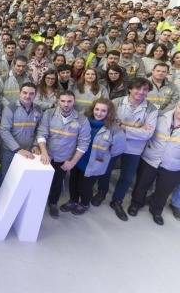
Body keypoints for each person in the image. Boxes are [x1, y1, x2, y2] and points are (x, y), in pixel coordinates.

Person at [92, 78, 159, 221]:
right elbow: (109, 123)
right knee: (105, 170)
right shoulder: (116, 102)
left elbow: (148, 133)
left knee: (127, 177)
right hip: (113, 144)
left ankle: (117, 201)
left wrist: (122, 125)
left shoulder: (151, 109)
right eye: (138, 88)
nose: (141, 92)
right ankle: (102, 192)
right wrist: (137, 128)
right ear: (130, 89)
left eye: (145, 89)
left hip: (134, 149)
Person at [58, 99, 126, 215]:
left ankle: (84, 203)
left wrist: (103, 156)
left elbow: (117, 150)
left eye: (103, 111)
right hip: (77, 159)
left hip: (94, 164)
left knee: (85, 187)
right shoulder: (83, 121)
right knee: (73, 183)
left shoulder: (114, 129)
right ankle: (73, 200)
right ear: (92, 109)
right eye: (97, 109)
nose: (99, 113)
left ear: (109, 112)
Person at [37, 90, 91, 219]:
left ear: (74, 102)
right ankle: (36, 203)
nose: (66, 104)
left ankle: (53, 203)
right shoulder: (48, 114)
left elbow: (83, 144)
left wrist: (72, 162)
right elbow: (41, 133)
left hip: (64, 159)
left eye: (69, 101)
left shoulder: (82, 120)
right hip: (46, 156)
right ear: (57, 101)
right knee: (40, 182)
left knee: (57, 182)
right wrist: (44, 153)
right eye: (63, 101)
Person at [128, 102, 180, 225]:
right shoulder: (160, 117)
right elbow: (145, 131)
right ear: (176, 106)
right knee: (142, 184)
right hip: (150, 157)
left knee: (164, 190)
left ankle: (156, 210)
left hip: (173, 164)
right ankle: (136, 204)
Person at [0, 82, 42, 186]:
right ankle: (0, 199)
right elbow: (4, 131)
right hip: (9, 151)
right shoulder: (10, 108)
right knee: (6, 176)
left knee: (22, 178)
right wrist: (18, 149)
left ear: (35, 95)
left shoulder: (38, 109)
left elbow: (39, 129)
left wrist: (36, 144)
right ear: (20, 93)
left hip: (29, 150)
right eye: (25, 93)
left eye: (31, 94)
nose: (28, 96)